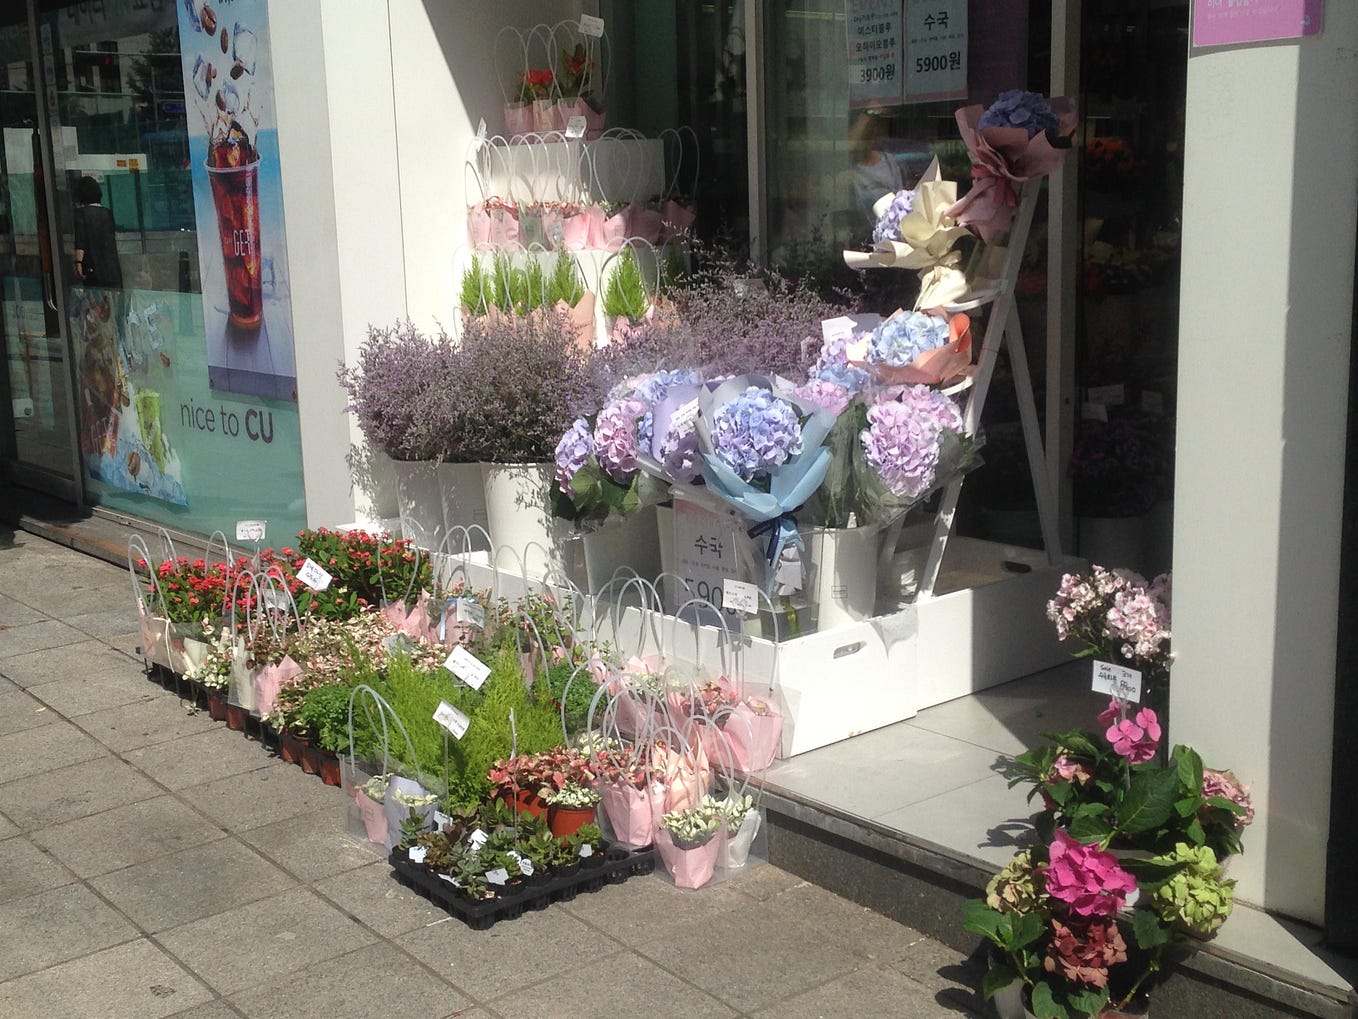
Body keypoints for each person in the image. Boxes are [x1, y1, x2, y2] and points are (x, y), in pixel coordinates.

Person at [850, 110, 903, 228]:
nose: (868, 141)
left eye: (871, 135)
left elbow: (900, 194)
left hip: (894, 226)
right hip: (865, 230)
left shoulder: (889, 160)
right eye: (865, 136)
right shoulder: (851, 171)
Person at [72, 175, 122, 289]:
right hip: (112, 268)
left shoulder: (81, 214)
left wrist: (78, 263)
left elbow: (80, 241)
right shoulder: (107, 213)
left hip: (93, 267)